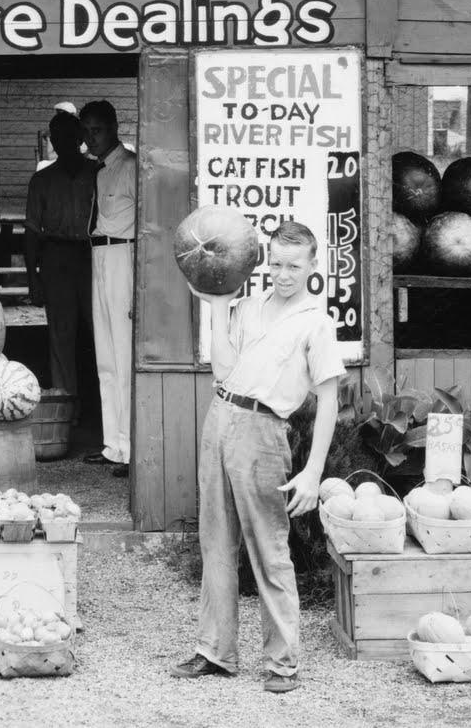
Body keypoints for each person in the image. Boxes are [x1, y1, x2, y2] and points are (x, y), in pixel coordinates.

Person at [170, 220, 343, 695]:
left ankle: (283, 661)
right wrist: (221, 307)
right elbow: (223, 367)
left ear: (312, 266)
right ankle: (216, 651)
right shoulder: (247, 307)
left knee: (269, 548)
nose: (283, 274)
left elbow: (328, 401)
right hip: (221, 416)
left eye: (294, 265)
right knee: (215, 541)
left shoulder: (316, 322)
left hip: (265, 432)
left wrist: (312, 473)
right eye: (277, 264)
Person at [80, 99, 135, 478]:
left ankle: (130, 447)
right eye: (86, 131)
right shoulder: (99, 172)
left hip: (123, 257)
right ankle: (113, 443)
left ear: (114, 127)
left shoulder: (130, 168)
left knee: (124, 353)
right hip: (99, 256)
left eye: (96, 130)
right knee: (105, 357)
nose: (89, 138)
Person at [22, 110, 95, 397]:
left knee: (100, 331)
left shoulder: (97, 172)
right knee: (60, 335)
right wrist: (33, 278)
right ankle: (66, 407)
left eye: (68, 135)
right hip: (56, 257)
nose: (62, 141)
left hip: (92, 256)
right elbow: (31, 232)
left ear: (80, 138)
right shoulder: (42, 179)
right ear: (51, 140)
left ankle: (105, 410)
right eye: (56, 136)